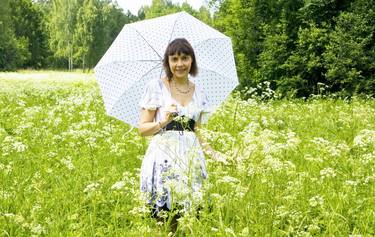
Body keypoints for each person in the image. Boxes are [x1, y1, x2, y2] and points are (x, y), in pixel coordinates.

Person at [138, 38, 211, 227]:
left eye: (185, 58)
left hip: (191, 159)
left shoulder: (200, 92)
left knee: (192, 218)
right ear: (168, 62)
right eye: (174, 59)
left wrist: (214, 154)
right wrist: (164, 121)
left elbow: (198, 130)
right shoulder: (156, 87)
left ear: (192, 61)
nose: (180, 64)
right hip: (163, 158)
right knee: (165, 220)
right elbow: (142, 129)